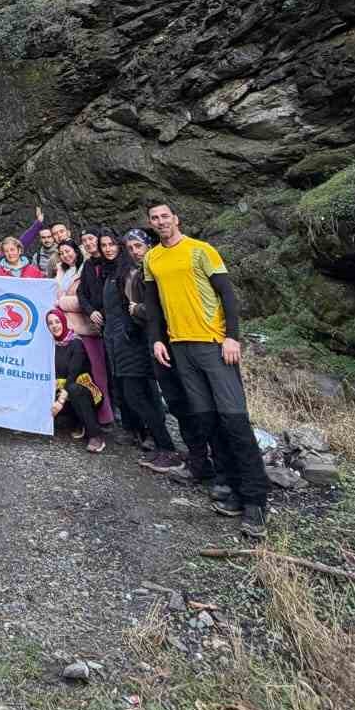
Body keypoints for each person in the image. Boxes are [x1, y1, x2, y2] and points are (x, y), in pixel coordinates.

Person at [144, 202, 268, 539]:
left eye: (165, 216)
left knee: (234, 418)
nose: (160, 222)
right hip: (179, 346)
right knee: (207, 418)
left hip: (213, 344)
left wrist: (232, 337)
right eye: (154, 218)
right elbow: (153, 305)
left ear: (176, 218)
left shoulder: (201, 250)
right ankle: (227, 481)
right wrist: (157, 339)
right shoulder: (152, 258)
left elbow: (227, 294)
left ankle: (255, 499)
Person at [122, 229, 214, 486]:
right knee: (176, 403)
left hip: (179, 342)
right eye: (130, 248)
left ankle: (208, 459)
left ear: (150, 245)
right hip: (156, 343)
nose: (135, 252)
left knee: (194, 402)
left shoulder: (162, 271)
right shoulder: (140, 274)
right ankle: (197, 460)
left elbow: (158, 307)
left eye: (138, 246)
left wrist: (137, 309)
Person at [97, 233, 181, 472]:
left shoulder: (131, 273)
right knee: (132, 395)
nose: (108, 249)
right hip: (117, 342)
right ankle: (160, 445)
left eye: (112, 245)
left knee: (139, 395)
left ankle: (166, 447)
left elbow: (150, 309)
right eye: (105, 246)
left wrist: (135, 318)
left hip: (132, 341)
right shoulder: (114, 272)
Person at [54, 237, 114, 424]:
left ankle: (105, 416)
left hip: (87, 328)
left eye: (68, 251)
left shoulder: (85, 269)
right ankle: (82, 418)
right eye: (62, 253)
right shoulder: (63, 272)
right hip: (71, 330)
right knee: (76, 376)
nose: (66, 255)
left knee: (97, 373)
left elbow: (86, 300)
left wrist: (60, 303)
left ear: (77, 250)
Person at [47, 309, 106, 452]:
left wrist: (60, 402)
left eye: (57, 322)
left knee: (73, 388)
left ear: (64, 322)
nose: (54, 326)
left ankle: (95, 435)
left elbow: (73, 375)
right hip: (63, 392)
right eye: (50, 323)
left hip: (84, 392)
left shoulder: (76, 343)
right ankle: (77, 422)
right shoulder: (50, 346)